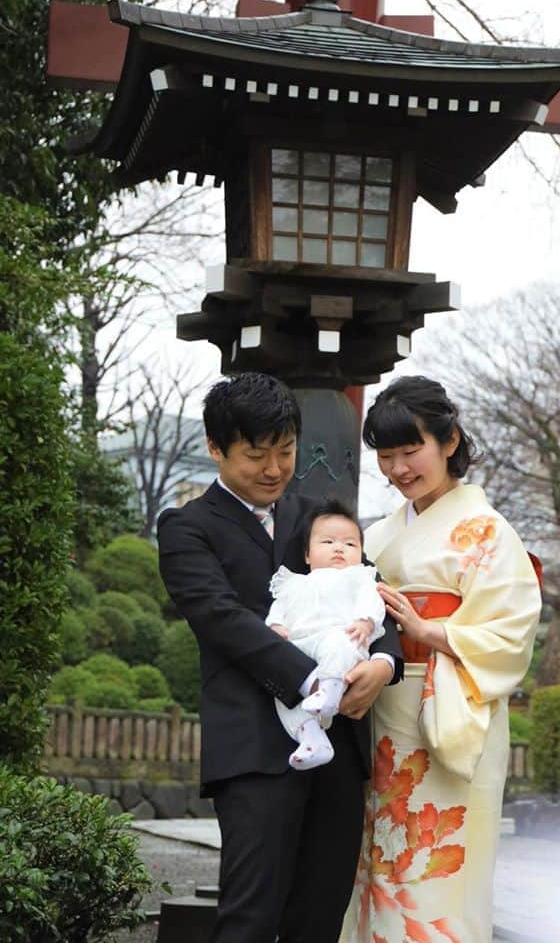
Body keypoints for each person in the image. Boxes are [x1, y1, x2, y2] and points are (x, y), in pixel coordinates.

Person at [157, 372, 404, 943]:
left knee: (321, 912)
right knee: (251, 913)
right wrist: (321, 680)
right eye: (256, 455)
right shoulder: (187, 529)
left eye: (286, 452)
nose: (274, 469)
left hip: (338, 745)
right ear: (216, 448)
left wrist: (382, 665)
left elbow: (374, 594)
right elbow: (224, 622)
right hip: (253, 748)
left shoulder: (317, 517)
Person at [339, 376, 542, 943]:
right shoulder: (377, 537)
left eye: (412, 450)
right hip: (380, 709)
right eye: (385, 455)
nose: (399, 467)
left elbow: (511, 631)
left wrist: (429, 629)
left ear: (449, 441)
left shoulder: (488, 533)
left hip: (448, 707)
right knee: (375, 858)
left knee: (440, 864)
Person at [266, 502, 387, 771]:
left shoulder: (359, 577)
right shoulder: (294, 582)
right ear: (307, 555)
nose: (339, 548)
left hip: (342, 638)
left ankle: (330, 690)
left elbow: (373, 602)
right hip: (299, 648)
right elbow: (279, 609)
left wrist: (365, 622)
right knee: (283, 696)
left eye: (350, 544)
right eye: (328, 541)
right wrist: (275, 627)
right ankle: (312, 739)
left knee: (339, 644)